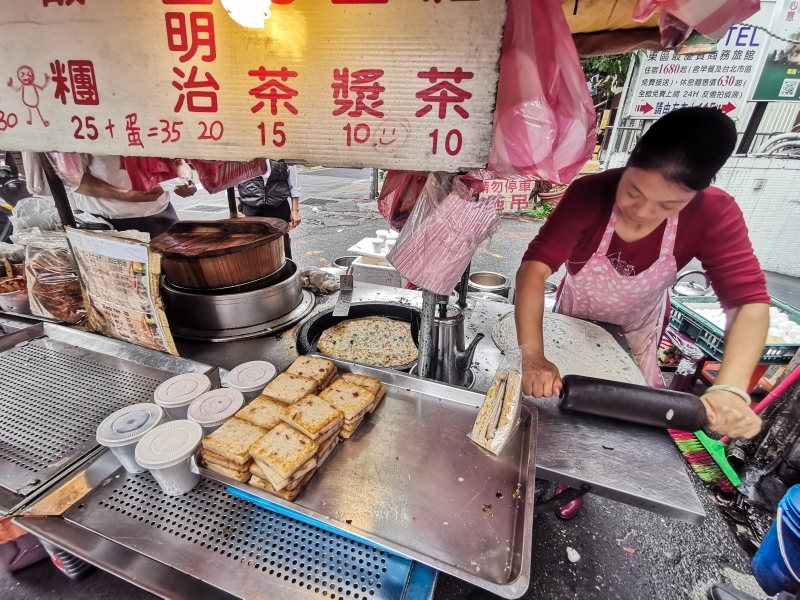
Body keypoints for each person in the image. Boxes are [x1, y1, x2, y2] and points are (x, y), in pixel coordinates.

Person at [515, 107, 770, 517]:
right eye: (633, 191)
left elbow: (748, 304)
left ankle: (582, 475)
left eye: (668, 204)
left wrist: (731, 388)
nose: (642, 211)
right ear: (629, 160)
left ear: (697, 192)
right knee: (563, 401)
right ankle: (561, 468)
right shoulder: (590, 194)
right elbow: (535, 268)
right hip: (574, 316)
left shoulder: (714, 212)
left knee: (619, 412)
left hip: (637, 326)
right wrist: (533, 353)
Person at [67, 155, 196, 238]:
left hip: (162, 215)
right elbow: (73, 180)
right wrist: (123, 194)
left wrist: (185, 180)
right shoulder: (86, 124)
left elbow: (179, 162)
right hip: (108, 222)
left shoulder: (154, 122)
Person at [236, 159, 301, 259]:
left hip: (278, 207)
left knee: (281, 250)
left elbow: (294, 184)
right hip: (250, 209)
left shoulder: (283, 151)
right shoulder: (243, 153)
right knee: (253, 251)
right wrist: (238, 208)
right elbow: (233, 184)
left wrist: (295, 210)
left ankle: (285, 271)